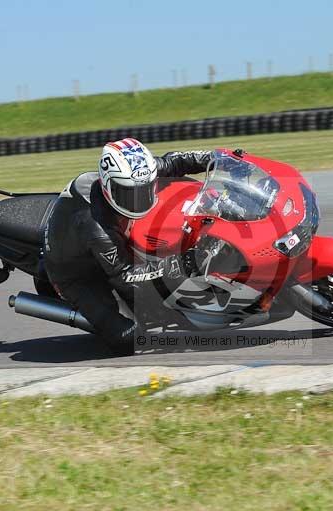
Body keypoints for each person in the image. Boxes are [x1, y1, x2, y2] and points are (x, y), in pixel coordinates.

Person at [44, 138, 211, 354]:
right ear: (109, 186)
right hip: (76, 274)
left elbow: (173, 163)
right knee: (130, 339)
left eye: (144, 189)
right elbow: (125, 277)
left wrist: (212, 158)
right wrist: (178, 265)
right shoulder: (96, 228)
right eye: (128, 193)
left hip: (109, 238)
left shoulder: (133, 172)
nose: (138, 199)